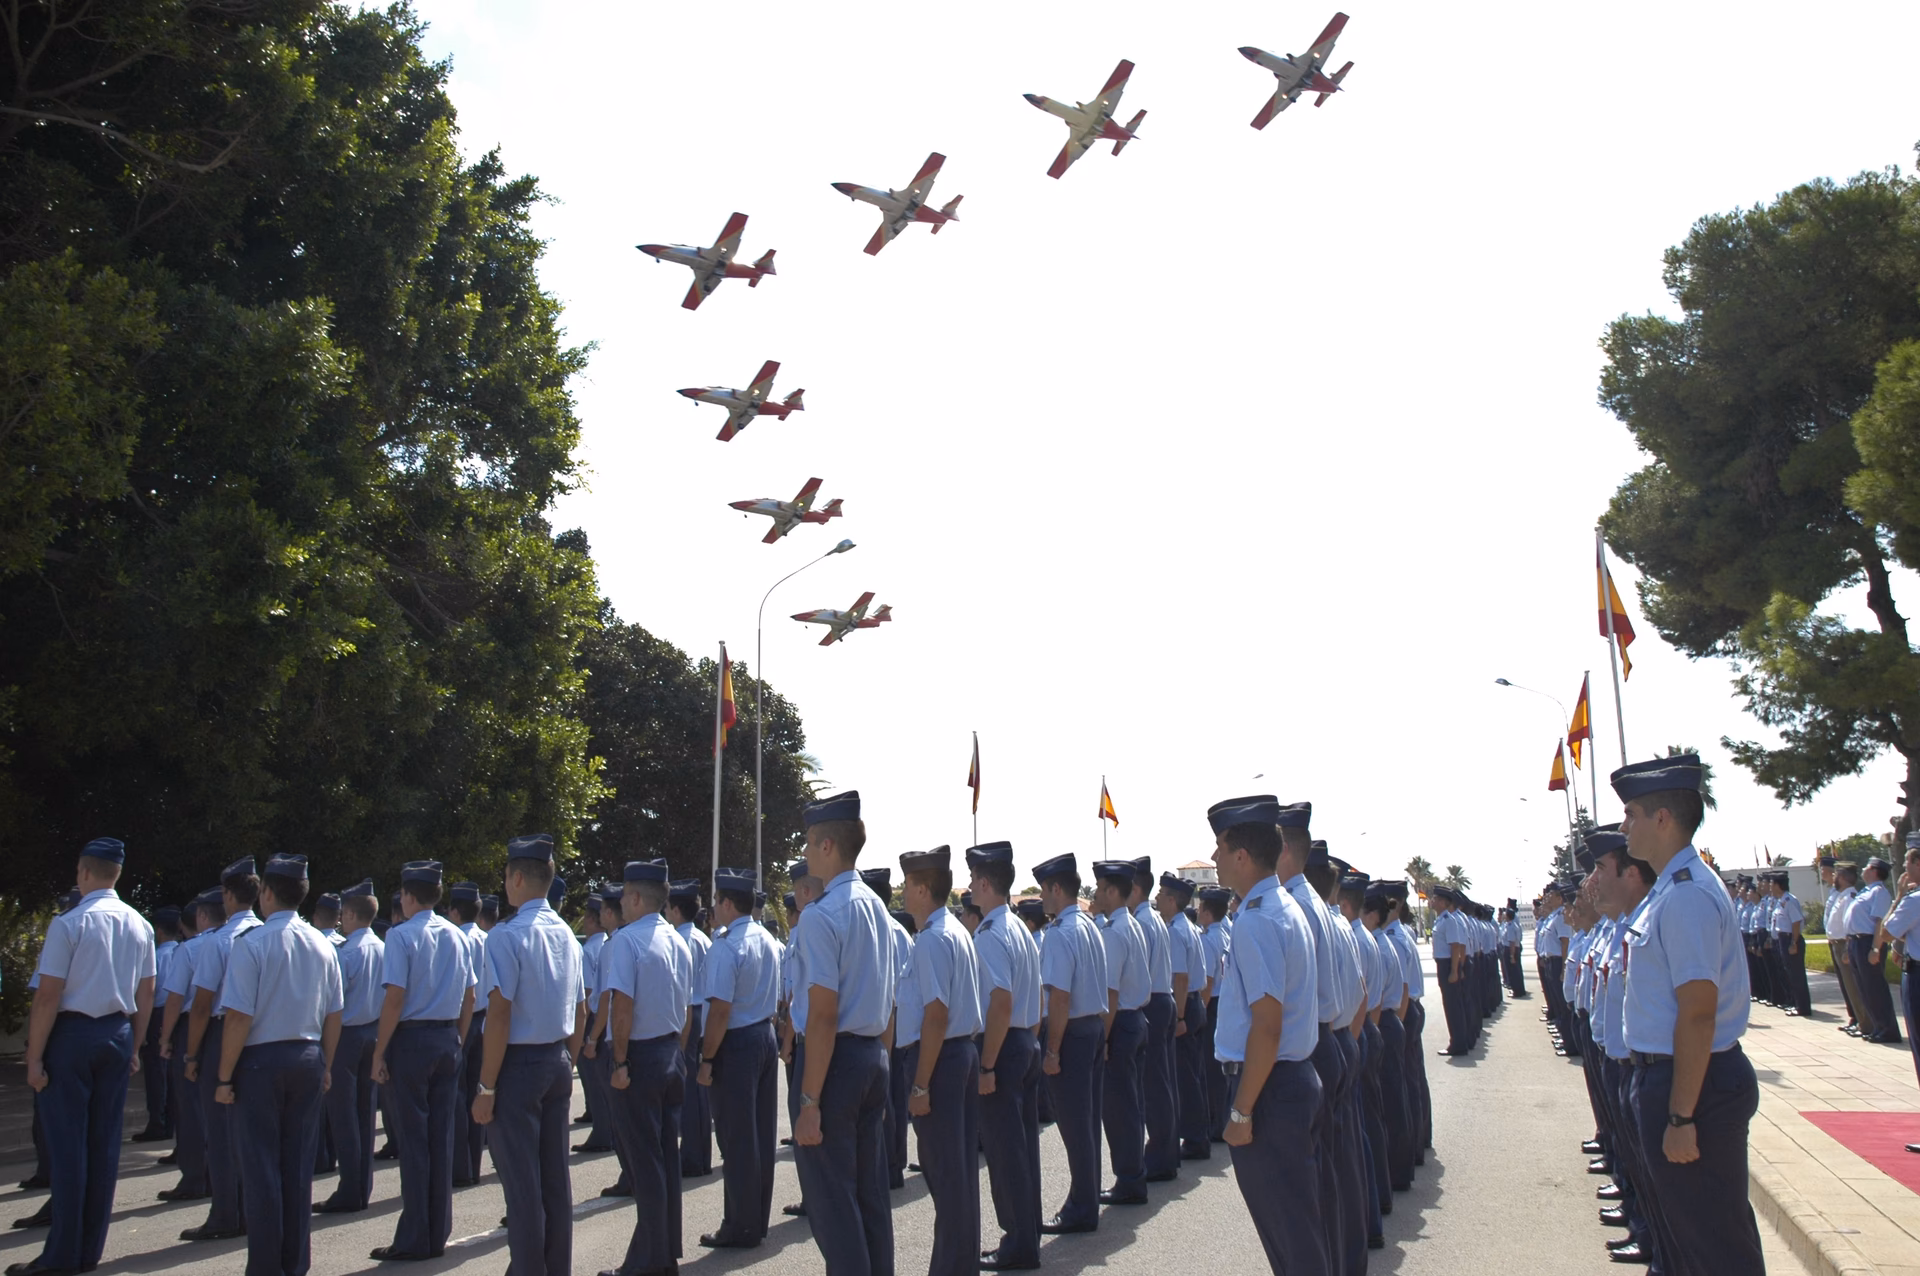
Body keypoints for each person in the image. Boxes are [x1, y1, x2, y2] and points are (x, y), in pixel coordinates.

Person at [1614, 752, 1762, 1274]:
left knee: (1713, 1244)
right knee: (1684, 1238)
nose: (1623, 825)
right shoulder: (1668, 892)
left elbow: (1698, 1013)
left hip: (1691, 1085)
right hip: (1672, 1077)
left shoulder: (1686, 897)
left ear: (1662, 819)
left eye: (1631, 813)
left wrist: (1680, 1115)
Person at [8, 839, 155, 1276]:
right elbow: (146, 994)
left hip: (73, 1034)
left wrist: (34, 1060)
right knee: (104, 1147)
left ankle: (60, 1258)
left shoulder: (70, 923)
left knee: (68, 1147)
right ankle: (89, 1250)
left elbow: (48, 996)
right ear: (118, 874)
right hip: (116, 1031)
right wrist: (134, 1045)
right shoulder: (139, 924)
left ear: (84, 872)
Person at [1206, 797, 1326, 1276]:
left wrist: (1241, 1110)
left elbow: (1267, 1025)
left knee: (1290, 1232)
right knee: (1297, 1226)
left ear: (1241, 856)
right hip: (1287, 1082)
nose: (1213, 857)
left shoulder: (1257, 920)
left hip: (1270, 1089)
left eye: (1219, 846)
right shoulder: (1282, 907)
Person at [214, 854, 343, 1276]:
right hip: (307, 1057)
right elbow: (334, 1014)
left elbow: (238, 1017)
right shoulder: (322, 943)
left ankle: (266, 1266)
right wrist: (326, 1064)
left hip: (261, 1062)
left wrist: (223, 1075)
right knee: (297, 1168)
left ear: (267, 893)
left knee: (261, 1170)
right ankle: (295, 1263)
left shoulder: (252, 943)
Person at [791, 791, 899, 1276]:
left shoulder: (821, 914)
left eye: (810, 845)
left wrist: (809, 1101)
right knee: (868, 1195)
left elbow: (822, 1017)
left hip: (832, 1064)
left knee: (834, 1203)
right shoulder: (876, 906)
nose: (807, 855)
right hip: (871, 1057)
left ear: (829, 845)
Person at [473, 835, 586, 1276]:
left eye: (505, 877)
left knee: (522, 1188)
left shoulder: (506, 936)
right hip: (556, 1060)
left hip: (517, 1067)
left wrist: (486, 1086)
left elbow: (499, 1015)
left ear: (517, 878)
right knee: (555, 1182)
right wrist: (569, 1061)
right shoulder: (567, 936)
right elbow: (580, 1008)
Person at [371, 860, 477, 1262]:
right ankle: (437, 1232)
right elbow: (471, 996)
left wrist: (379, 1052)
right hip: (447, 1037)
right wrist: (459, 1041)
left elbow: (395, 998)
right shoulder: (456, 935)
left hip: (412, 1041)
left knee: (414, 1144)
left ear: (408, 895)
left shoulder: (400, 936)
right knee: (440, 1138)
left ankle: (414, 1236)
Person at [600, 858, 691, 1276]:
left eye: (622, 896)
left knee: (644, 1164)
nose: (620, 903)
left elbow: (623, 1009)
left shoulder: (626, 941)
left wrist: (619, 1061)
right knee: (664, 1161)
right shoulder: (678, 940)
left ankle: (648, 1262)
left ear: (636, 898)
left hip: (639, 1056)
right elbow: (688, 1009)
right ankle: (665, 1251)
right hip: (671, 1052)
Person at [900, 847, 983, 1276]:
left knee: (947, 1176)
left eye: (908, 885)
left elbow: (935, 1016)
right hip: (960, 1055)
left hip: (942, 1060)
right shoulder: (954, 930)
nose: (903, 893)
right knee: (960, 1173)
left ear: (922, 888)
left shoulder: (933, 938)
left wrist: (919, 1085)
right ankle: (960, 1264)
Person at [967, 842, 1043, 1272]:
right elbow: (1030, 1000)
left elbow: (999, 1002)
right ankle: (1025, 1233)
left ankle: (1018, 1243)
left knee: (1005, 1153)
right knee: (1022, 1150)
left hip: (1003, 1047)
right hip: (1023, 1043)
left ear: (983, 882)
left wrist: (989, 1064)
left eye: (975, 878)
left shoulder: (993, 934)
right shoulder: (1018, 929)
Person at [181, 858, 265, 1243]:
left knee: (219, 1129)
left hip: (222, 1033)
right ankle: (251, 1211)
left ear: (228, 897)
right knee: (251, 1131)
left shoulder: (216, 942)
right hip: (261, 1037)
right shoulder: (267, 934)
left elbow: (201, 1006)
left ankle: (226, 1214)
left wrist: (191, 1054)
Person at [696, 866, 780, 1249]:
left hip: (737, 1043)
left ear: (728, 903)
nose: (714, 908)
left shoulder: (727, 945)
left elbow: (719, 1011)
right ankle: (755, 1220)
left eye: (716, 901)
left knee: (736, 1138)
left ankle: (739, 1225)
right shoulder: (765, 939)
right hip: (764, 1035)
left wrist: (707, 1059)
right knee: (759, 1136)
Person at [1033, 854, 1108, 1234]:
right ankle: (1087, 1199)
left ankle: (1081, 1206)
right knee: (1088, 1123)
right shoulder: (1090, 926)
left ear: (1056, 889)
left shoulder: (1062, 933)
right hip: (1091, 1028)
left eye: (1045, 890)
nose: (1042, 898)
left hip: (1072, 1033)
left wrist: (1052, 1050)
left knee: (1077, 1127)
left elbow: (1059, 998)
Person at [319, 879, 385, 1213]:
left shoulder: (347, 952)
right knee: (364, 1115)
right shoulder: (382, 947)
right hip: (373, 1034)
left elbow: (333, 1003)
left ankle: (349, 1189)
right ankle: (362, 1187)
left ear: (348, 913)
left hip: (347, 1037)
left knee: (343, 1117)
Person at [1091, 859, 1149, 1206]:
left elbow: (1110, 994)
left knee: (1120, 1108)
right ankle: (1133, 1173)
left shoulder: (1114, 932)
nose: (1096, 894)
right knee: (1133, 1104)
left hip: (1122, 1023)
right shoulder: (1131, 924)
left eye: (1099, 889)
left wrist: (1104, 1038)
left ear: (1112, 891)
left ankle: (1129, 1179)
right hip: (1136, 1020)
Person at [157, 892, 216, 1204]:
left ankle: (195, 1177)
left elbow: (175, 999)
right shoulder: (237, 942)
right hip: (226, 1028)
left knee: (191, 1108)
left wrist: (165, 1038)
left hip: (190, 1028)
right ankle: (220, 1175)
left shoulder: (189, 950)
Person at [1156, 873, 1211, 1161]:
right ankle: (1196, 1134)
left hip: (1184, 1006)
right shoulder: (1185, 926)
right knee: (1193, 1075)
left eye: (1162, 893)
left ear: (1173, 900)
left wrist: (1178, 1018)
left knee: (1186, 1078)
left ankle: (1194, 1139)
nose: (1157, 898)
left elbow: (1180, 978)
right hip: (1193, 1004)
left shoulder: (1177, 930)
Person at [668, 880, 714, 1179]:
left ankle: (693, 1157)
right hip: (701, 1012)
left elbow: (681, 988)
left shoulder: (682, 940)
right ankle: (698, 1154)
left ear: (675, 910)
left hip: (690, 1012)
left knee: (689, 1087)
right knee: (698, 1089)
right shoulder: (702, 938)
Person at [1876, 837, 1920, 1139]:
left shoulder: (1914, 899)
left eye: (1907, 861)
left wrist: (1899, 896)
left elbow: (1886, 932)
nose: (1904, 868)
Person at [448, 881, 489, 1186]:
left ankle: (460, 1168)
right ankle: (473, 1165)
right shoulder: (488, 939)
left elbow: (465, 992)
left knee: (458, 1097)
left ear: (453, 911)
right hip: (486, 1021)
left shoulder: (456, 940)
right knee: (477, 1092)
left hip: (465, 1019)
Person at [133, 905, 181, 1144]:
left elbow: (149, 993)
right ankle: (170, 1121)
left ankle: (157, 1122)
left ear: (159, 931)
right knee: (172, 1074)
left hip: (158, 1015)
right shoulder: (182, 952)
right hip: (177, 1016)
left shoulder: (159, 956)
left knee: (155, 1072)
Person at [1196, 887, 1233, 1143]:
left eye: (1200, 908)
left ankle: (1215, 1123)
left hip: (1213, 1003)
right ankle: (1222, 1118)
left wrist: (1201, 1011)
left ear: (1208, 913)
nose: (1198, 912)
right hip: (1225, 1003)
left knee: (1210, 1070)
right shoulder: (1226, 933)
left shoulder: (1209, 939)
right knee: (1220, 1068)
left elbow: (1207, 982)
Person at [1853, 858, 1904, 1044]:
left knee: (1876, 989)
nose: (1863, 869)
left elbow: (1879, 923)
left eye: (1866, 866)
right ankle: (1878, 1027)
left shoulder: (1879, 892)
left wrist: (1876, 947)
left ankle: (1888, 1029)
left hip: (1869, 942)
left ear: (1874, 871)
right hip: (1857, 942)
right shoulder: (1866, 892)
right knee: (1865, 989)